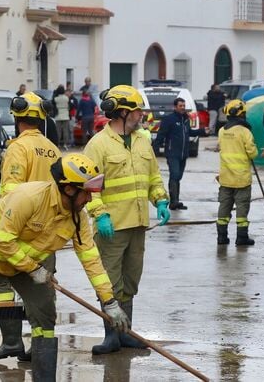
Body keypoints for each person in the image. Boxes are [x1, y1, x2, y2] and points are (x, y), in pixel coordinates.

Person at [0, 155, 128, 382]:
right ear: (68, 189)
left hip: (26, 267)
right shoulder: (29, 197)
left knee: (45, 319)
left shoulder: (77, 218)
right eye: (86, 192)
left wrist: (110, 302)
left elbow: (91, 260)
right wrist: (34, 269)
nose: (90, 198)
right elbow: (3, 241)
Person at [83, 85, 170, 355]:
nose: (141, 115)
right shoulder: (98, 144)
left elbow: (153, 176)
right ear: (120, 112)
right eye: (136, 110)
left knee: (130, 281)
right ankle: (111, 335)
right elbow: (88, 187)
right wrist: (100, 216)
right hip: (112, 226)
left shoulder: (143, 140)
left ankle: (125, 332)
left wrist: (161, 200)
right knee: (110, 282)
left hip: (138, 224)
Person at [0, 92, 63, 364]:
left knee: (3, 284)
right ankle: (39, 349)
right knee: (40, 293)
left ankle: (12, 341)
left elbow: (11, 193)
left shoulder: (18, 147)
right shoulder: (52, 148)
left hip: (18, 232)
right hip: (45, 235)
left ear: (17, 118)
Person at [216, 99, 258, 246]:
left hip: (225, 178)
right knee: (242, 208)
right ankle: (241, 238)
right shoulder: (245, 132)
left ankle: (221, 237)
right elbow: (252, 153)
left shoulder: (222, 131)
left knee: (224, 207)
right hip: (241, 179)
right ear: (241, 113)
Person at [154, 97, 206, 210]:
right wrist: (156, 149)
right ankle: (173, 201)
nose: (182, 108)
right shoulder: (169, 119)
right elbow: (161, 134)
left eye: (183, 105)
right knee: (174, 175)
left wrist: (202, 131)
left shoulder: (185, 119)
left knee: (178, 177)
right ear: (175, 107)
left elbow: (189, 132)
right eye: (180, 106)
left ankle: (176, 200)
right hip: (172, 153)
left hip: (183, 154)